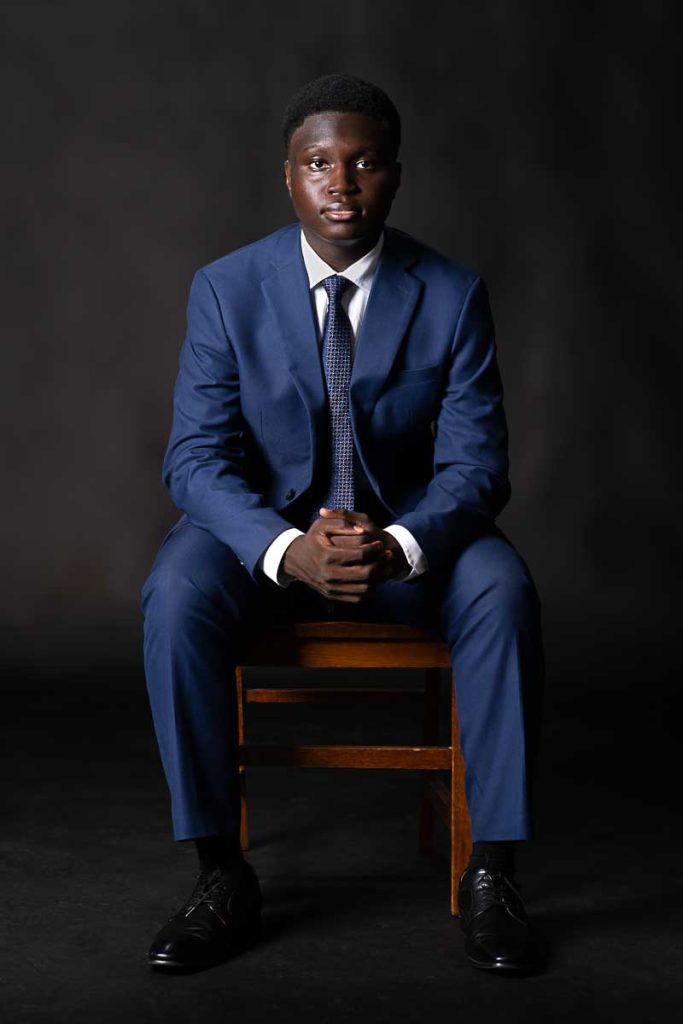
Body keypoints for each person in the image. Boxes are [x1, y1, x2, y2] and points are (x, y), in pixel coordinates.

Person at [141, 73, 544, 974]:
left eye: (364, 163)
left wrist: (397, 547)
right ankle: (218, 872)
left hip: (407, 544)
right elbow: (194, 459)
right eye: (319, 162)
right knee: (174, 593)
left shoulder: (451, 291)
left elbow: (478, 466)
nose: (341, 183)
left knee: (503, 590)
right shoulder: (225, 288)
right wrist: (286, 551)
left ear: (394, 175)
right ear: (287, 176)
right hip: (265, 545)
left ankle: (494, 871)